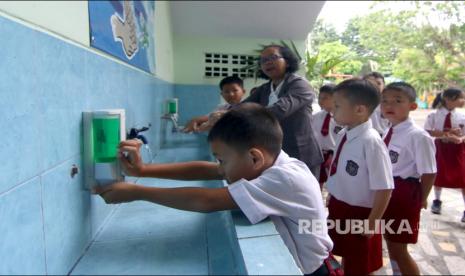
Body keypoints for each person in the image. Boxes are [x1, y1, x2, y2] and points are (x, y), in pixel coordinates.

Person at [94, 103, 340, 276]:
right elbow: (208, 170)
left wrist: (137, 192)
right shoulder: (270, 162)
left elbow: (207, 201)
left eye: (223, 159)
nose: (220, 167)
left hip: (312, 272)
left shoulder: (284, 179)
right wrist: (144, 171)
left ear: (254, 158)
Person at [325, 78, 394, 275]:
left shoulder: (371, 142)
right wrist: (334, 193)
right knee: (346, 254)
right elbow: (340, 169)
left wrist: (372, 222)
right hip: (340, 206)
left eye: (337, 106)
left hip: (361, 214)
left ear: (360, 110)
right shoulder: (344, 134)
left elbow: (385, 187)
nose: (332, 110)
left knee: (360, 264)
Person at [380, 82, 437, 275]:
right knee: (391, 241)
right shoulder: (390, 129)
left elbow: (429, 172)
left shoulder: (418, 136)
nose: (389, 105)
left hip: (403, 194)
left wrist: (421, 198)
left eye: (397, 101)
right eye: (385, 101)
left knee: (399, 248)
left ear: (412, 106)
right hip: (387, 191)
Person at [243, 45, 323, 175]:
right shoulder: (265, 88)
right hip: (276, 151)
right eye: (263, 60)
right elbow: (243, 106)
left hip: (301, 152)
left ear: (287, 61)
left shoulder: (300, 85)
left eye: (273, 57)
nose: (268, 62)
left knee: (301, 193)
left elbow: (279, 110)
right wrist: (212, 117)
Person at [424, 88, 465, 223]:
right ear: (448, 99)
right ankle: (437, 200)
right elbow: (428, 132)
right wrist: (445, 135)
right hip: (441, 149)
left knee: (462, 178)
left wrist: (461, 138)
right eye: (460, 98)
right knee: (439, 174)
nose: (463, 101)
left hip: (458, 151)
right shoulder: (434, 115)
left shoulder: (461, 116)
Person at [311, 83, 343, 188]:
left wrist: (333, 154)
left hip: (334, 154)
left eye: (325, 98)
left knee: (334, 182)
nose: (321, 100)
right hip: (318, 154)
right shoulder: (315, 117)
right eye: (320, 97)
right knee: (317, 180)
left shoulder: (342, 118)